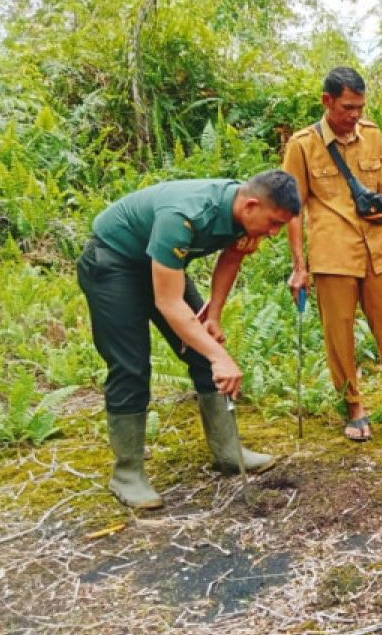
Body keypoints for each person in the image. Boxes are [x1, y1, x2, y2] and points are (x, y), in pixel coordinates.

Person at [77, 170, 301, 509]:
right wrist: (220, 358)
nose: (273, 234)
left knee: (204, 348)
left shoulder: (244, 215)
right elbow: (168, 303)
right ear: (252, 204)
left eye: (280, 226)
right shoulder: (183, 216)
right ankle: (127, 474)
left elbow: (233, 257)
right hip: (114, 263)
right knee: (131, 365)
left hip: (162, 265)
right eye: (273, 223)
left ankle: (228, 451)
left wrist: (212, 316)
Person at [283, 67, 382, 441]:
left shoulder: (372, 135)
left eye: (359, 106)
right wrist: (298, 266)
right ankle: (354, 406)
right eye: (347, 107)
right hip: (332, 252)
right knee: (339, 332)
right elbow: (292, 208)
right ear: (327, 102)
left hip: (377, 248)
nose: (354, 115)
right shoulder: (302, 145)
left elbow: (381, 195)